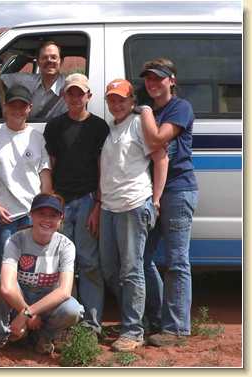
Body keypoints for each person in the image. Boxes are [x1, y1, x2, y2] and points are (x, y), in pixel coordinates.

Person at [99, 79, 168, 352]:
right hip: (109, 207)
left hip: (133, 204)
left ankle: (133, 330)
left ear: (132, 101)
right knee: (110, 269)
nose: (116, 105)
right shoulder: (112, 128)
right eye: (112, 100)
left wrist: (156, 200)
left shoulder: (139, 123)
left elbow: (161, 158)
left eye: (122, 100)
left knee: (131, 270)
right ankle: (140, 319)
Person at [0, 193, 84, 354]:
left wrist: (27, 313)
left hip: (46, 301)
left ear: (61, 219)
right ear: (31, 215)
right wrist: (28, 314)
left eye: (53, 215)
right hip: (20, 297)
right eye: (41, 214)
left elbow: (64, 291)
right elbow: (7, 287)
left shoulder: (66, 246)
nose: (47, 220)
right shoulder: (15, 240)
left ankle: (44, 337)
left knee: (73, 309)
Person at [139, 58, 199, 347]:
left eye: (158, 78)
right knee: (141, 258)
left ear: (172, 80)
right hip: (152, 192)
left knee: (177, 261)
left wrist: (147, 112)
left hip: (177, 190)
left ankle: (176, 329)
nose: (152, 83)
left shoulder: (179, 108)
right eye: (148, 79)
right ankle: (159, 317)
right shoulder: (150, 108)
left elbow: (158, 140)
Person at [43, 73, 109, 337]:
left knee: (89, 262)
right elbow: (51, 164)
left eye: (80, 93)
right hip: (61, 201)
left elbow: (102, 168)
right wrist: (51, 200)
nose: (75, 97)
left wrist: (98, 205)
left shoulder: (99, 127)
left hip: (87, 201)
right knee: (62, 264)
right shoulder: (55, 127)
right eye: (70, 93)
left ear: (88, 97)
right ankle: (68, 320)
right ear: (64, 96)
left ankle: (92, 324)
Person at [0, 84, 52, 274]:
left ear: (29, 108)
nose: (17, 110)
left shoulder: (38, 138)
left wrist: (43, 211)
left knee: (35, 269)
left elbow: (45, 179)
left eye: (22, 106)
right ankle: (6, 304)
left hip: (32, 215)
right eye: (12, 105)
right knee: (6, 267)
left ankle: (31, 303)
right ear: (4, 107)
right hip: (5, 217)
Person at [0, 41, 67, 120]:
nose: (49, 60)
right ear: (38, 62)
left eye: (54, 57)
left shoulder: (69, 85)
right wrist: (5, 106)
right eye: (44, 57)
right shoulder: (28, 81)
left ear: (61, 61)